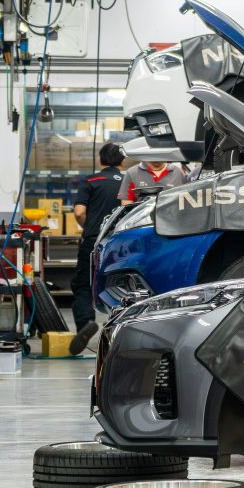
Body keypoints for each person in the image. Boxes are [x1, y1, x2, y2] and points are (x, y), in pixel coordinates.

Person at [69, 142, 126, 354]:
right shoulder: (127, 180)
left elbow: (78, 212)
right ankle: (120, 330)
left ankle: (85, 322)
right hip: (119, 242)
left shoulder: (91, 180)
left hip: (92, 239)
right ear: (122, 160)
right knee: (120, 284)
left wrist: (89, 227)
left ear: (100, 160)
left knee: (83, 284)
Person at [118, 159, 188, 203]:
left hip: (171, 222)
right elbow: (126, 202)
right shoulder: (132, 172)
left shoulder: (178, 172)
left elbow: (185, 200)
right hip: (142, 222)